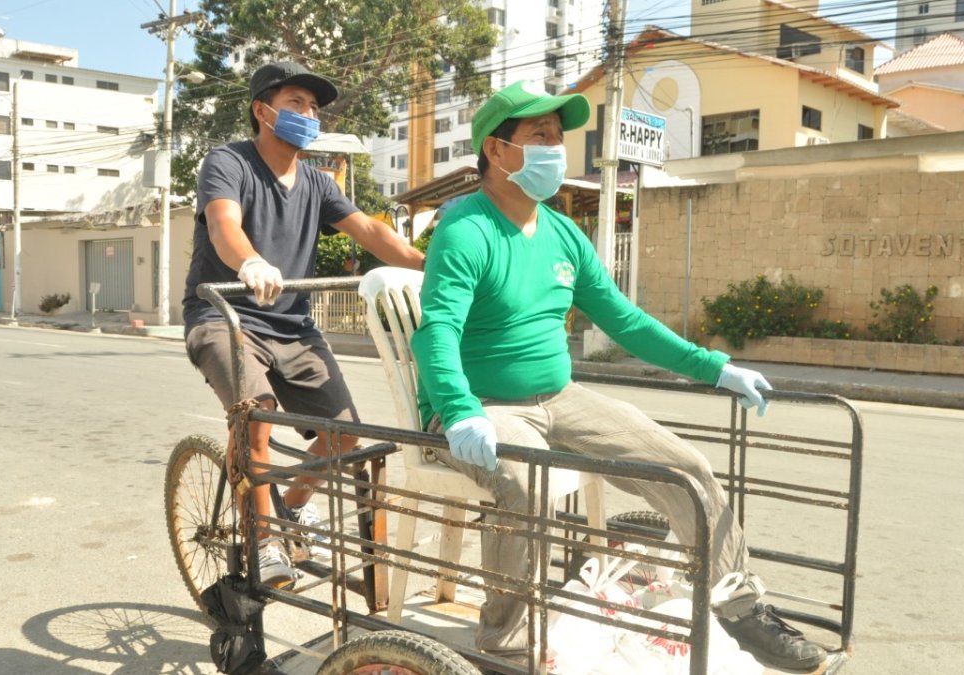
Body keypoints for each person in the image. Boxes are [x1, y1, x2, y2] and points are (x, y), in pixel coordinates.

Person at [410, 80, 826, 672]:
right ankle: (503, 646)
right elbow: (436, 332)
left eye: (558, 135)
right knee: (525, 487)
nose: (556, 147)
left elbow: (625, 321)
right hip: (483, 407)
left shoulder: (561, 233)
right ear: (497, 152)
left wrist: (715, 368)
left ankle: (742, 608)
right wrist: (457, 408)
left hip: (560, 396)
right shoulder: (466, 230)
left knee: (687, 468)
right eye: (540, 136)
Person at [182, 61, 425, 588]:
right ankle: (263, 542)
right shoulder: (227, 162)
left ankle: (287, 509)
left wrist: (428, 263)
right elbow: (225, 224)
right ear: (262, 110)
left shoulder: (317, 181)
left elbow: (369, 231)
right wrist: (249, 261)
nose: (309, 115)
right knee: (258, 417)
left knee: (344, 436)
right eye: (296, 103)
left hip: (292, 326)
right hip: (225, 316)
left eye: (314, 108)